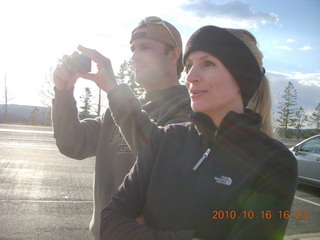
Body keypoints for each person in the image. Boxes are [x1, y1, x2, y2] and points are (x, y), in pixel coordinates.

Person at [100, 25, 298, 240]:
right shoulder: (166, 137)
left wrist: (140, 232)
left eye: (208, 63)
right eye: (188, 65)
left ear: (241, 75)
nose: (190, 76)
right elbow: (109, 223)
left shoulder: (274, 161)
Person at [52, 16, 193, 240]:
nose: (135, 56)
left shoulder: (190, 110)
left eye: (145, 48)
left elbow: (162, 161)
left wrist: (115, 92)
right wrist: (63, 93)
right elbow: (73, 144)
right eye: (133, 49)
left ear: (174, 54)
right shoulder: (119, 108)